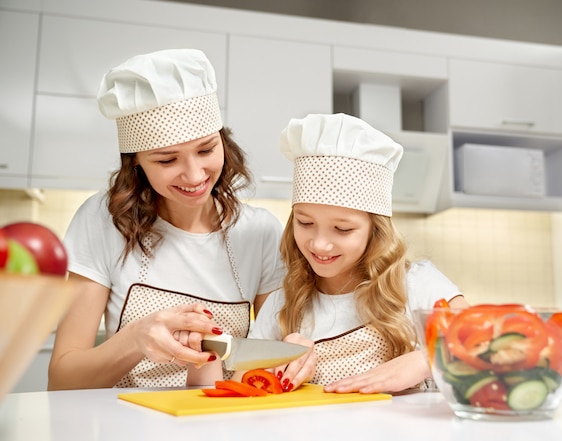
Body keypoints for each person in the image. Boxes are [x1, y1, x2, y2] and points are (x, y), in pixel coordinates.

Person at [48, 49, 285, 389]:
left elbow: (269, 358)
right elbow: (62, 381)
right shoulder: (102, 220)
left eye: (206, 150)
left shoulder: (260, 231)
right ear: (137, 163)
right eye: (167, 160)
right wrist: (136, 339)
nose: (194, 174)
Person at [246, 113, 469, 394]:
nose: (319, 244)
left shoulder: (416, 284)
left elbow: (485, 342)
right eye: (305, 223)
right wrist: (276, 365)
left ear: (374, 230)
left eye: (342, 229)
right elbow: (244, 376)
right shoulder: (285, 300)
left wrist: (427, 358)